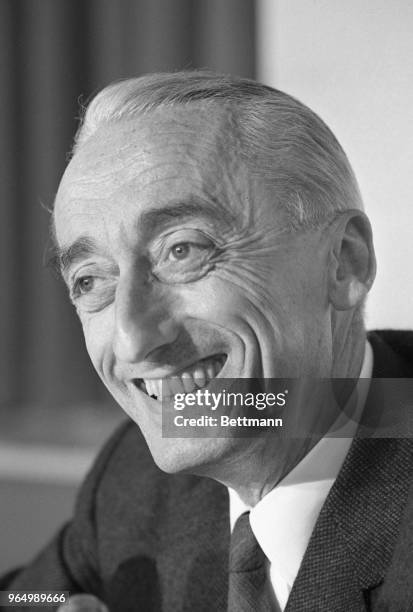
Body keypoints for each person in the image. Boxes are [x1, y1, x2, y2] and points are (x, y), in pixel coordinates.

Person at [1, 71, 412, 612]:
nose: (132, 340)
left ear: (344, 263)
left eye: (182, 250)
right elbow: (25, 595)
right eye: (90, 281)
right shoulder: (132, 478)